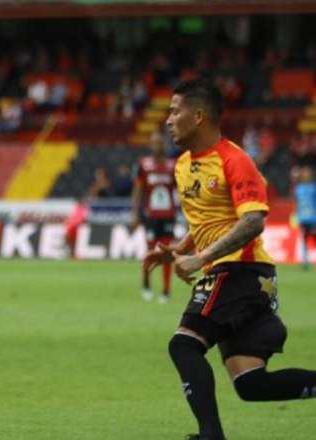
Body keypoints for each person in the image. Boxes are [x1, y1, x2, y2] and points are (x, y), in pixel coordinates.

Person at [143, 78, 316, 440]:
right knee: (250, 384)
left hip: (241, 269)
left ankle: (211, 436)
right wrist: (178, 249)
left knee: (184, 345)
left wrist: (200, 257)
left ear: (199, 116)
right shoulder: (183, 166)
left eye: (176, 111)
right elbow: (207, 220)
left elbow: (252, 220)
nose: (168, 120)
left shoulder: (234, 159)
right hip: (234, 272)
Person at [132, 131, 178, 303]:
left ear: (164, 145)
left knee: (167, 253)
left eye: (160, 143)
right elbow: (138, 190)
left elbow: (180, 190)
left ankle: (166, 290)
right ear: (150, 145)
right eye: (154, 143)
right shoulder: (143, 164)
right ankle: (146, 282)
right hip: (151, 216)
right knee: (151, 253)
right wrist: (135, 213)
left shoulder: (172, 165)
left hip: (168, 215)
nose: (157, 146)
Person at [294, 166, 316, 269]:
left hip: (313, 217)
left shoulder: (313, 188)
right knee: (304, 239)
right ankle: (305, 261)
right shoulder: (299, 188)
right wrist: (294, 214)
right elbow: (296, 203)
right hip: (303, 218)